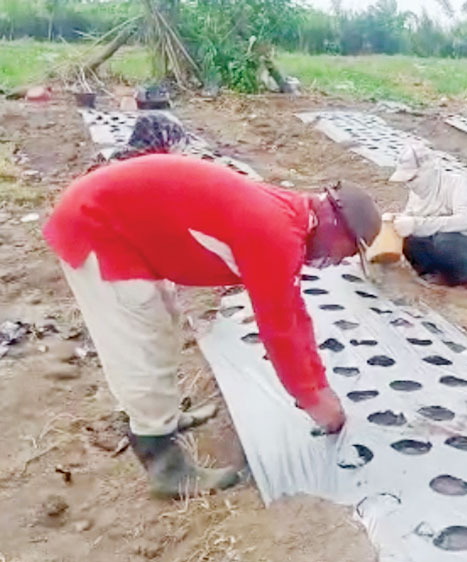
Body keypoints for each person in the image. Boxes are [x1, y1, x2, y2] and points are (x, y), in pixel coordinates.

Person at [43, 154, 381, 498]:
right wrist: (312, 399)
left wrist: (320, 384)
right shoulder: (275, 233)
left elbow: (296, 313)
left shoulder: (290, 215)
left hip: (124, 226)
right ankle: (165, 465)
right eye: (348, 251)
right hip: (96, 226)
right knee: (138, 341)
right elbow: (279, 328)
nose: (340, 260)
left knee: (162, 326)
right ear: (336, 225)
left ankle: (165, 417)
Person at [385, 144, 467, 291]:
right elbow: (411, 217)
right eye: (407, 180)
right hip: (443, 245)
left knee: (444, 239)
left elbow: (465, 221)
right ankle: (434, 274)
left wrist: (416, 224)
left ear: (428, 170)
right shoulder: (416, 193)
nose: (410, 184)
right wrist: (396, 220)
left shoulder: (455, 184)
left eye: (414, 178)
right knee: (407, 236)